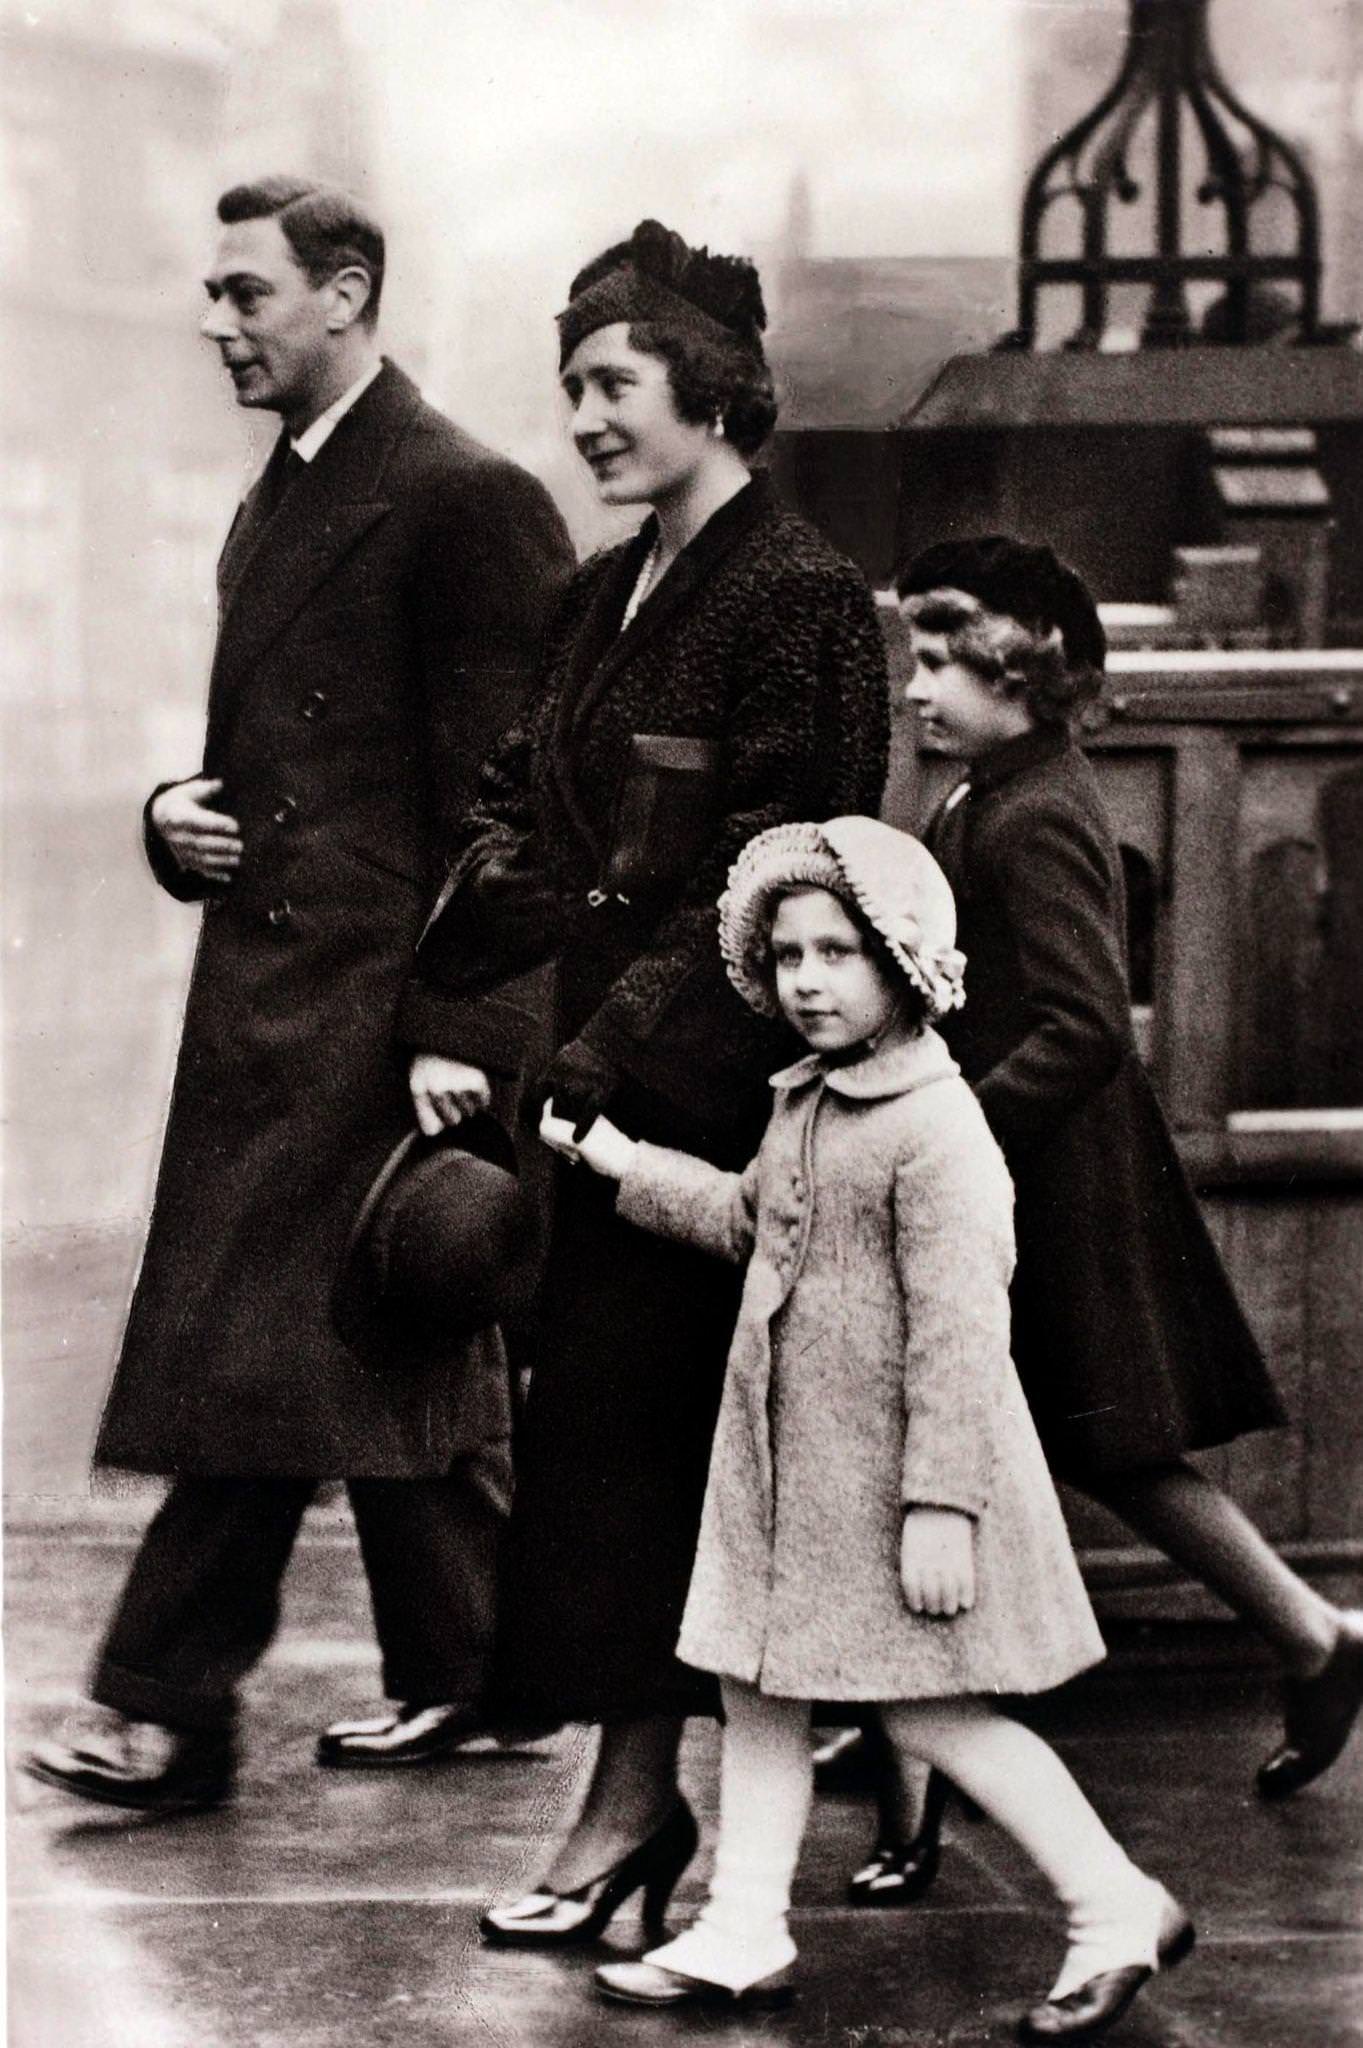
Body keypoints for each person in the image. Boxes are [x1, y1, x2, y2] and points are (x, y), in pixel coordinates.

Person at [23, 176, 573, 1814]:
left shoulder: (460, 494)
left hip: (374, 1013)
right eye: (211, 292)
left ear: (344, 295)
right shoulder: (300, 485)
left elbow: (515, 797)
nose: (216, 323)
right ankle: (487, 1667)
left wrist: (462, 1032)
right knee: (369, 1332)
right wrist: (167, 821)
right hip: (282, 991)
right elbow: (287, 766)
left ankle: (163, 1701)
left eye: (246, 294)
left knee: (267, 1343)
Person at [399, 218, 889, 1938]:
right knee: (605, 1444)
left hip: (724, 1095)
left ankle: (636, 1811)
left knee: (671, 1451)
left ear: (710, 389)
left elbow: (779, 871)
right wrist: (451, 991)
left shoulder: (800, 594)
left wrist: (601, 1063)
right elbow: (524, 809)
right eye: (571, 390)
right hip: (600, 1094)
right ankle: (637, 1803)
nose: (585, 418)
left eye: (611, 384)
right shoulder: (599, 590)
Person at [538, 816, 1193, 2042]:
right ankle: (743, 1924)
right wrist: (621, 1160)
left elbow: (961, 1334)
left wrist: (940, 1502)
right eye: (787, 954)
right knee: (756, 1691)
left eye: (840, 951)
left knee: (937, 1712)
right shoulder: (809, 1103)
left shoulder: (937, 1130)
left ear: (907, 962)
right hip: (790, 1481)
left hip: (893, 1487)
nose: (807, 978)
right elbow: (748, 1220)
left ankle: (1116, 1907)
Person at [833, 535, 1363, 1901]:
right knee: (1068, 1447)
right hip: (1019, 1177)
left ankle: (918, 1771)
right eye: (917, 659)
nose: (916, 689)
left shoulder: (1033, 811)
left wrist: (943, 1136)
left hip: (1041, 1188)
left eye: (947, 663)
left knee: (998, 1442)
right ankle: (1304, 1637)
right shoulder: (979, 793)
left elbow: (1080, 1025)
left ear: (1024, 675)